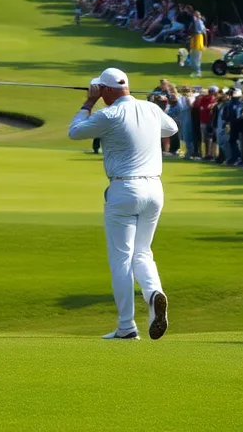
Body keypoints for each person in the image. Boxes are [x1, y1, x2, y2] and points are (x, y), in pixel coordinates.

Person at [68, 67, 177, 340]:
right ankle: (153, 294)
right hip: (154, 189)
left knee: (122, 258)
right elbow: (172, 127)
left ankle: (127, 326)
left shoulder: (108, 113)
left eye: (99, 90)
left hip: (124, 188)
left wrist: (88, 103)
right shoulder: (151, 109)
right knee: (143, 252)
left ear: (105, 91)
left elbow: (75, 132)